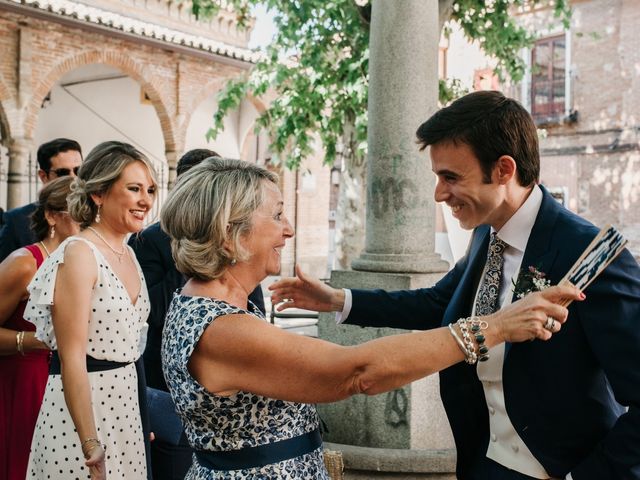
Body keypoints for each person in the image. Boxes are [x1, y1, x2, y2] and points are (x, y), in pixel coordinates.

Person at [270, 91, 640, 480]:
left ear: (503, 170)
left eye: (451, 177)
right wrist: (338, 300)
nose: (438, 193)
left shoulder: (593, 256)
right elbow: (441, 302)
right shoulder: (486, 232)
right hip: (481, 463)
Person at [159, 157, 580, 479]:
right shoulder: (221, 329)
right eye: (277, 215)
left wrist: (341, 299)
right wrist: (499, 326)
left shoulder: (220, 306)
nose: (288, 230)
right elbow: (356, 372)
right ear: (229, 231)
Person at [25, 141, 157, 480]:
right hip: (83, 415)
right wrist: (89, 442)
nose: (146, 200)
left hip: (125, 408)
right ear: (98, 193)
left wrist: (140, 415)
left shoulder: (128, 253)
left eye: (150, 190)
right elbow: (71, 357)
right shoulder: (80, 253)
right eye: (134, 188)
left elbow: (129, 351)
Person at [129, 149, 265, 480]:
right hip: (171, 390)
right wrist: (191, 256)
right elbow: (152, 311)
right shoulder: (151, 241)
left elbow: (253, 303)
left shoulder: (233, 239)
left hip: (229, 391)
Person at [0, 176, 79, 480]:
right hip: (23, 383)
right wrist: (31, 340)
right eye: (78, 213)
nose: (87, 222)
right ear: (51, 216)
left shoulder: (82, 263)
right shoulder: (24, 263)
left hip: (65, 383)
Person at [0, 138, 82, 262]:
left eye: (78, 170)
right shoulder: (16, 222)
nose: (73, 178)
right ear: (43, 176)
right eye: (63, 173)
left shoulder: (97, 214)